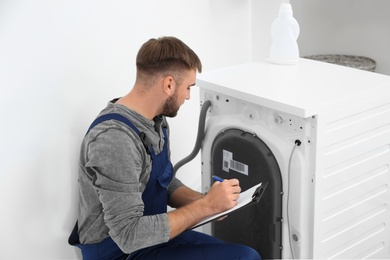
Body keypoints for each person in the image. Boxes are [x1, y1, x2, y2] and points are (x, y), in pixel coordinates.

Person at [69, 36, 261, 260]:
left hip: (152, 238)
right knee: (244, 258)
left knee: (243, 255)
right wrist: (206, 207)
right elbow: (128, 235)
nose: (188, 96)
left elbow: (165, 182)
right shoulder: (114, 139)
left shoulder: (155, 121)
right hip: (119, 252)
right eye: (188, 87)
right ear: (169, 84)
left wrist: (207, 202)